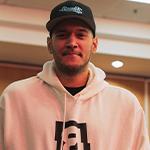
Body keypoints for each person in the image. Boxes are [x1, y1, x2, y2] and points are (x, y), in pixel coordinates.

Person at [0, 0, 149, 149]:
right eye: (62, 35)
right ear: (50, 44)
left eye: (81, 35)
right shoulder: (16, 98)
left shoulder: (124, 104)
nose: (72, 42)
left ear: (94, 44)